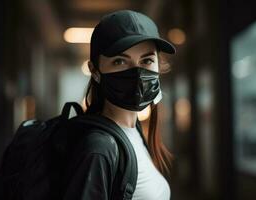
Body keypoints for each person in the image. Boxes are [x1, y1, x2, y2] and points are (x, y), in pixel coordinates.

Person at [62, 9, 176, 200]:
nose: (137, 74)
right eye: (120, 61)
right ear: (95, 70)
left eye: (147, 60)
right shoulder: (99, 148)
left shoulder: (132, 132)